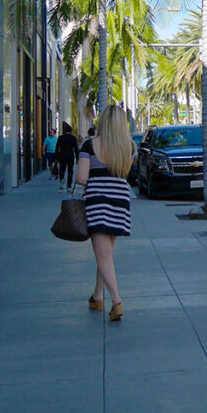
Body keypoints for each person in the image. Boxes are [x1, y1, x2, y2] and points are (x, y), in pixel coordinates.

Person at [75, 105, 134, 322]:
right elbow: (126, 173)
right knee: (106, 253)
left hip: (97, 202)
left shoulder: (90, 145)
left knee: (103, 254)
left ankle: (116, 301)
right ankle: (97, 296)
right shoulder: (128, 146)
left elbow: (82, 178)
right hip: (120, 201)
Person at [54, 123, 79, 193]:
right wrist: (77, 158)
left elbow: (57, 148)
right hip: (70, 157)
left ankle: (62, 182)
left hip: (62, 156)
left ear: (64, 131)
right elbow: (76, 149)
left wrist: (56, 157)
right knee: (70, 171)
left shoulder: (60, 138)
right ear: (71, 131)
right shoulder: (73, 138)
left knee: (62, 171)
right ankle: (69, 185)